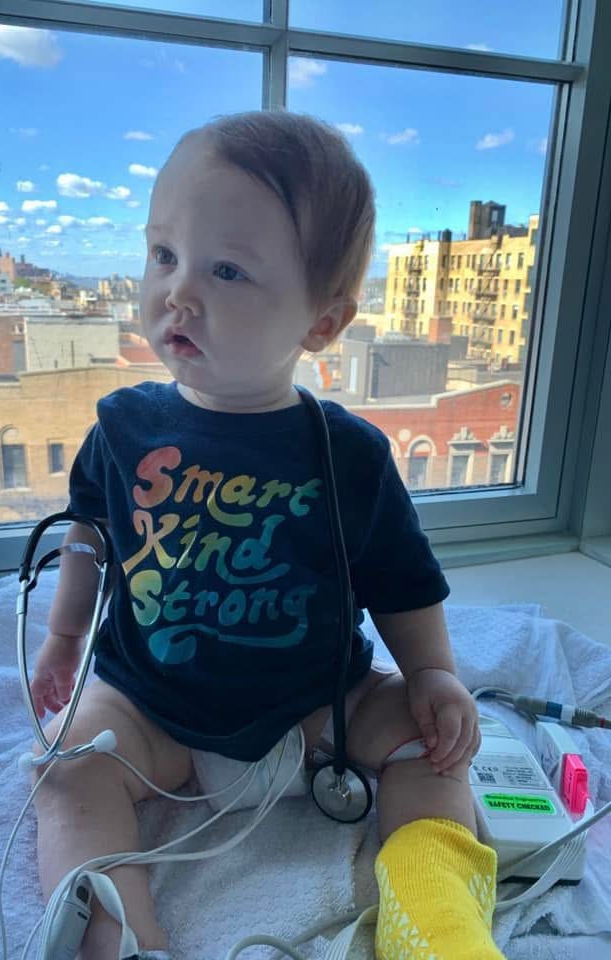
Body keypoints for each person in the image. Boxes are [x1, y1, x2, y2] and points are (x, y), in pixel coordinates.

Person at [30, 110, 505, 960]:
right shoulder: (121, 428)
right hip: (154, 708)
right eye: (163, 255)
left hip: (317, 709)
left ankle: (433, 910)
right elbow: (89, 538)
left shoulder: (348, 454)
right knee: (68, 772)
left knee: (434, 749)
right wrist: (66, 636)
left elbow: (402, 581)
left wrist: (434, 675)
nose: (178, 292)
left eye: (226, 270)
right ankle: (120, 936)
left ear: (321, 324)